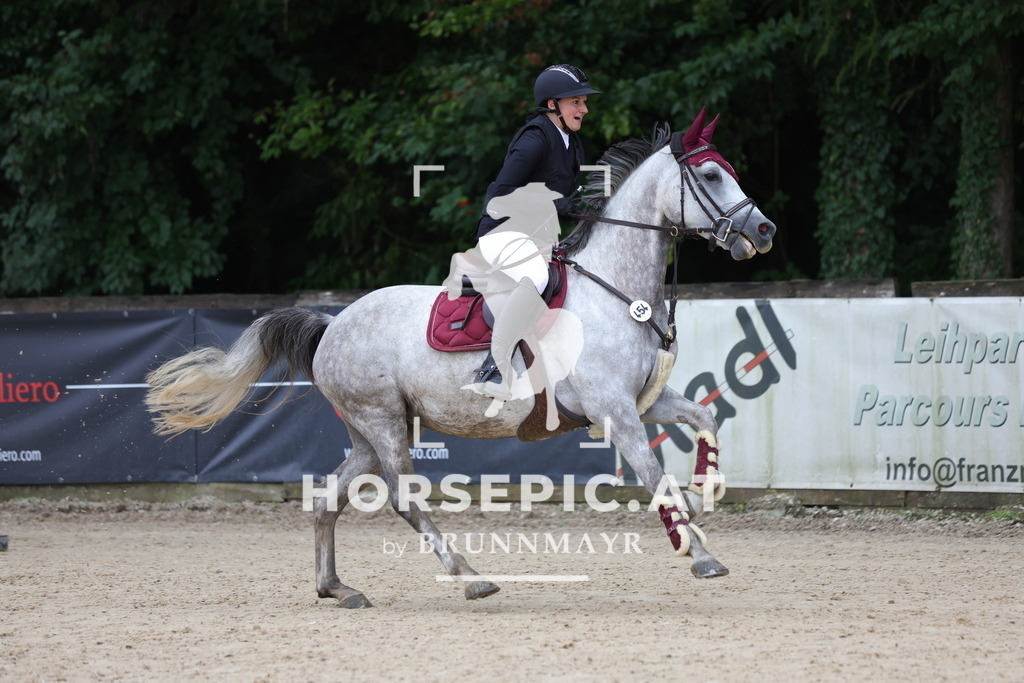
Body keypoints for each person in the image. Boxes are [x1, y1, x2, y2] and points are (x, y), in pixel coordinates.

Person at [452, 64, 600, 407]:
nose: (584, 109)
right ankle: (493, 368)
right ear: (553, 105)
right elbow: (500, 196)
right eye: (576, 102)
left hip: (537, 238)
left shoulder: (571, 142)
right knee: (535, 276)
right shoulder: (534, 140)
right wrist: (560, 204)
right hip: (502, 232)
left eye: (583, 102)